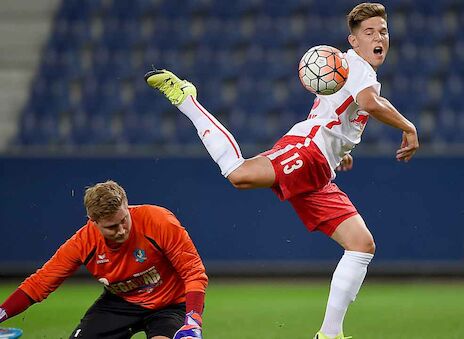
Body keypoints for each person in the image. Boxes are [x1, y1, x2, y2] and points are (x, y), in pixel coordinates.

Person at [146, 2, 418, 339]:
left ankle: (329, 334)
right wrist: (409, 128)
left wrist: (339, 153)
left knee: (361, 244)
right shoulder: (358, 68)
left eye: (383, 31)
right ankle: (187, 99)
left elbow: (335, 111)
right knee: (238, 174)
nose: (379, 37)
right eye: (369, 32)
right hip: (307, 153)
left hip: (320, 167)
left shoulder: (345, 71)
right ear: (353, 41)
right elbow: (370, 104)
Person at [0, 180, 207, 339]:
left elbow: (193, 272)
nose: (122, 230)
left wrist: (193, 321)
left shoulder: (159, 221)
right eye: (111, 227)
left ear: (127, 205)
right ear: (94, 222)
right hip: (120, 303)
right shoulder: (83, 243)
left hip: (170, 305)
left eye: (124, 220)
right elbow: (40, 283)